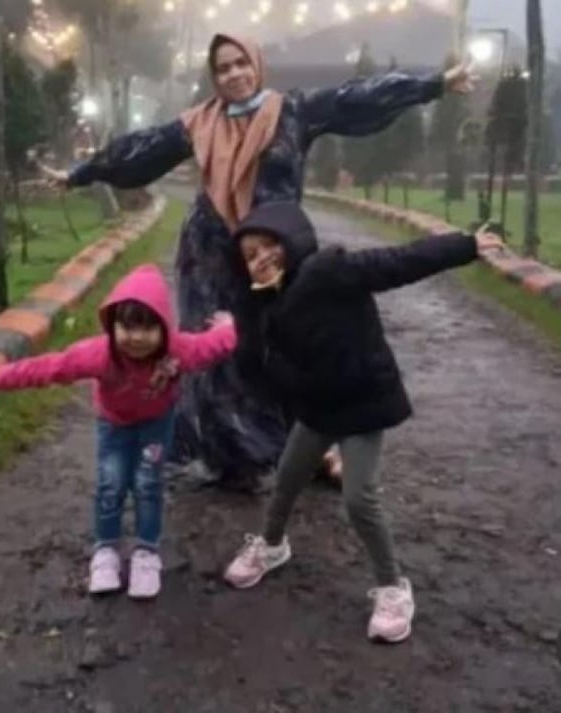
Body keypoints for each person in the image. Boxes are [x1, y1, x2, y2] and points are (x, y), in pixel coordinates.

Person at [42, 33, 476, 493]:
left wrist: (435, 84)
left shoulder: (293, 111)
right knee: (215, 351)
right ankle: (230, 453)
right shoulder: (199, 122)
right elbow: (140, 148)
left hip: (273, 253)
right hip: (209, 254)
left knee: (287, 347)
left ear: (257, 64)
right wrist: (79, 174)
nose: (233, 75)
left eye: (240, 63)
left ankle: (310, 450)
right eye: (223, 69)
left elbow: (358, 98)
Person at [222, 202, 503, 643]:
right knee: (288, 477)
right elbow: (263, 368)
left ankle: (393, 588)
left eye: (268, 245)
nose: (261, 259)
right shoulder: (266, 311)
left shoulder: (328, 271)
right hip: (317, 410)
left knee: (359, 498)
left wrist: (463, 246)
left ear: (291, 238)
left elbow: (397, 263)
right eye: (250, 256)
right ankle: (271, 546)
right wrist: (238, 331)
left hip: (362, 405)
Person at [0, 264, 236, 599]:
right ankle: (106, 550)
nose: (136, 338)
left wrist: (228, 326)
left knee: (148, 484)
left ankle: (146, 553)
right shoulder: (99, 354)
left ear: (165, 329)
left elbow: (215, 344)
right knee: (112, 483)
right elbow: (49, 367)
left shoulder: (177, 351)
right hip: (115, 426)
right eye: (127, 327)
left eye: (148, 328)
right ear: (112, 325)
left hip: (155, 424)